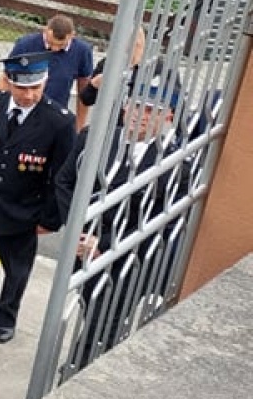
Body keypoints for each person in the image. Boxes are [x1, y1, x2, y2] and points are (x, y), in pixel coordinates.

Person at [55, 81, 190, 370]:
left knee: (107, 317)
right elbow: (65, 182)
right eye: (136, 105)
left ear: (168, 116)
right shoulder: (95, 138)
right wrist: (79, 232)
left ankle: (78, 369)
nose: (140, 114)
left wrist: (104, 246)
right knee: (88, 305)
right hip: (83, 246)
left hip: (128, 257)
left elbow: (161, 221)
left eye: (151, 110)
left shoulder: (175, 163)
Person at [0, 53, 78, 344]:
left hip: (20, 209)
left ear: (45, 82)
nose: (29, 95)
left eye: (36, 87)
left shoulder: (59, 122)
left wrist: (50, 219)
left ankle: (5, 315)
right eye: (22, 88)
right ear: (8, 82)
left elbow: (61, 176)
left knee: (16, 271)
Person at [1, 14, 95, 130]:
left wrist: (78, 127)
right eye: (51, 43)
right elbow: (6, 79)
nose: (55, 49)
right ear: (45, 31)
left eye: (61, 45)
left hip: (54, 115)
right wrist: (1, 115)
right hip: (22, 112)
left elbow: (84, 92)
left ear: (72, 36)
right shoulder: (25, 45)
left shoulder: (82, 51)